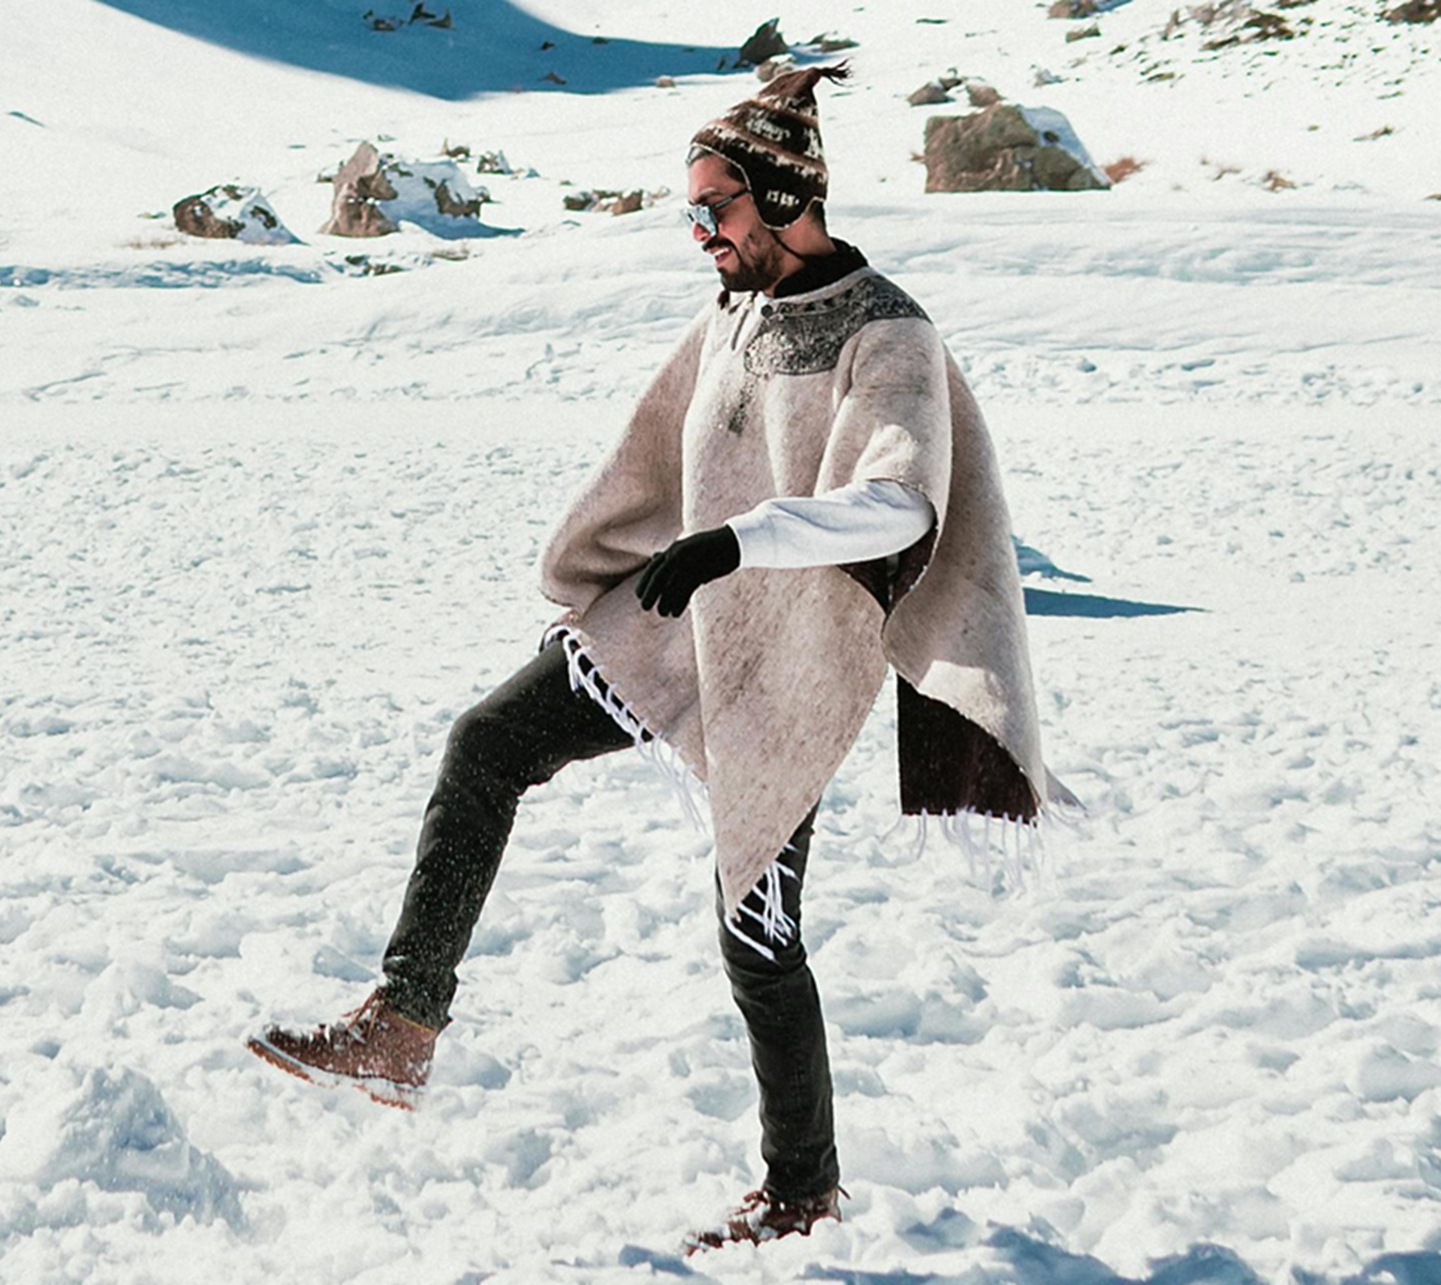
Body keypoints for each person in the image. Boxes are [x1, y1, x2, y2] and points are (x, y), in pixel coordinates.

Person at [248, 65, 1066, 1253]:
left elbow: (898, 501)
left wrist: (743, 539)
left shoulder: (888, 333)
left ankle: (803, 1190)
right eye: (691, 211)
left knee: (757, 940)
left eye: (715, 209)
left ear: (783, 196)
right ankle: (406, 1021)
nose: (700, 234)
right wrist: (617, 567)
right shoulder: (733, 309)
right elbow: (656, 457)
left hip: (787, 664)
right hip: (670, 621)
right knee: (487, 744)